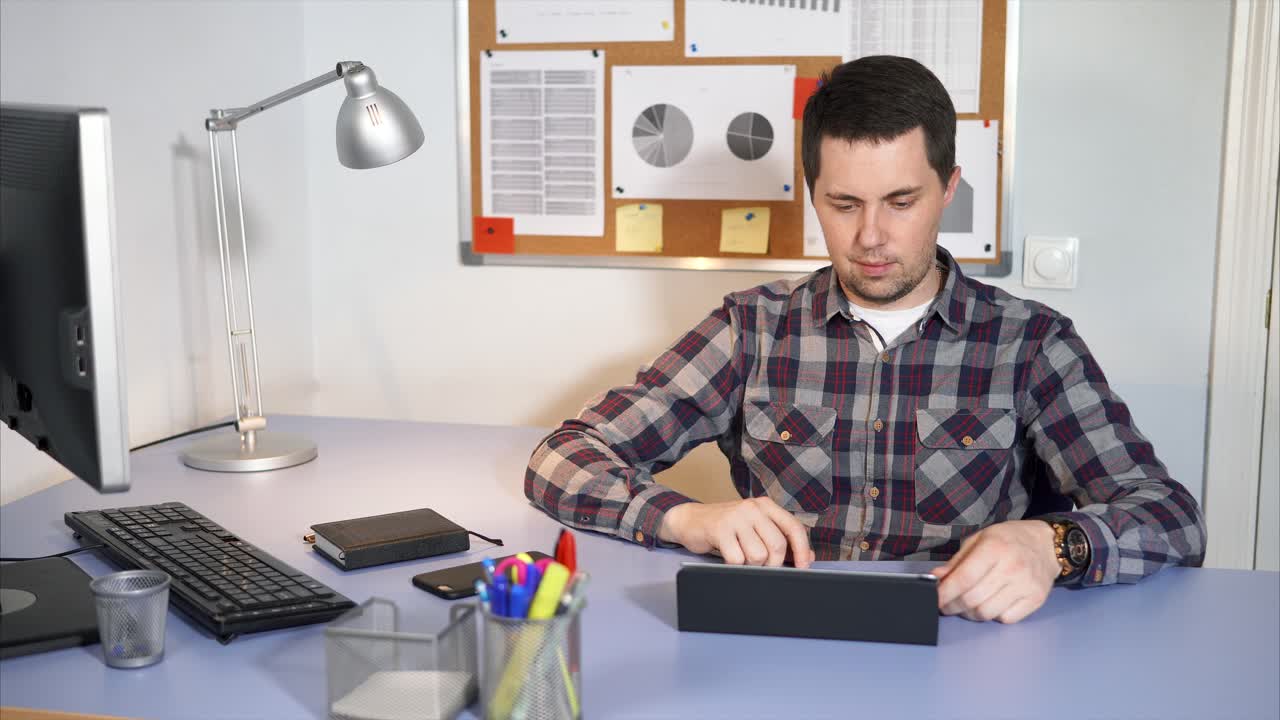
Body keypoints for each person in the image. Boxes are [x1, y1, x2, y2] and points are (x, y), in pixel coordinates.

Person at [524, 55, 1206, 624]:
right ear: (813, 196)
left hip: (962, 646)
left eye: (901, 202)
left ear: (948, 191)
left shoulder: (1029, 343)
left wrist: (1052, 544)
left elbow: (1172, 517)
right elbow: (562, 459)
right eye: (844, 205)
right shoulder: (751, 329)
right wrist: (684, 518)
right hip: (782, 644)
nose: (871, 237)